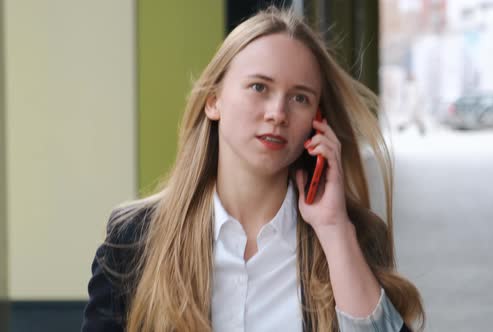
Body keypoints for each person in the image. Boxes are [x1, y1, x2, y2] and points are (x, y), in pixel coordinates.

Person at [82, 7, 424, 332]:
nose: (278, 112)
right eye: (259, 87)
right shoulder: (134, 239)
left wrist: (334, 230)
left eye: (300, 98)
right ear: (213, 101)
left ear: (317, 122)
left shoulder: (354, 236)